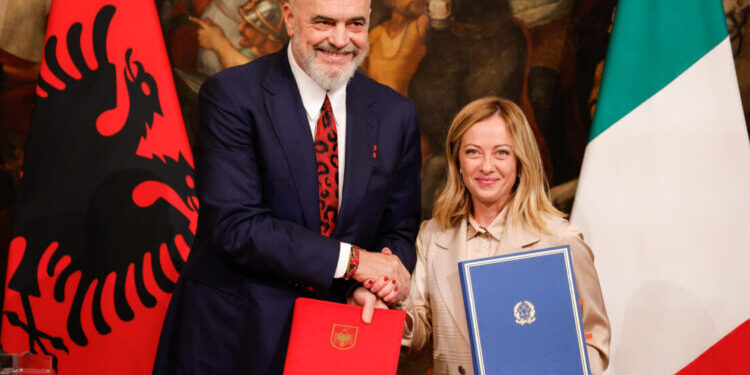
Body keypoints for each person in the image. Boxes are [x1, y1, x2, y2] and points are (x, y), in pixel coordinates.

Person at [153, 0, 422, 372]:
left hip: (337, 343)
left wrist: (380, 284)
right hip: (234, 342)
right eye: (324, 22)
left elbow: (400, 228)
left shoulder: (396, 113)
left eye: (355, 24)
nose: (341, 40)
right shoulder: (231, 96)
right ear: (290, 18)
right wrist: (356, 263)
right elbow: (237, 226)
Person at [354, 97, 610, 374]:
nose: (486, 166)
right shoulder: (433, 235)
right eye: (473, 152)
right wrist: (387, 308)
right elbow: (416, 334)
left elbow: (594, 340)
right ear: (457, 161)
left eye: (501, 153)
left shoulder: (561, 240)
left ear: (520, 161)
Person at [190, 0, 287, 72]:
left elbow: (259, 81)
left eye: (249, 25)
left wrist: (218, 43)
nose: (240, 28)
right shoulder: (247, 53)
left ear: (268, 33)